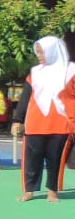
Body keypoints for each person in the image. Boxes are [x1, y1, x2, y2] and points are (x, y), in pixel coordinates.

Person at [12, 36, 75, 201]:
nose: (39, 56)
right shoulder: (35, 72)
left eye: (42, 52)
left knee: (55, 159)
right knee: (32, 159)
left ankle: (52, 190)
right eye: (37, 52)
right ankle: (29, 190)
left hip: (61, 123)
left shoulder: (71, 71)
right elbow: (25, 97)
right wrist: (17, 120)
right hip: (35, 123)